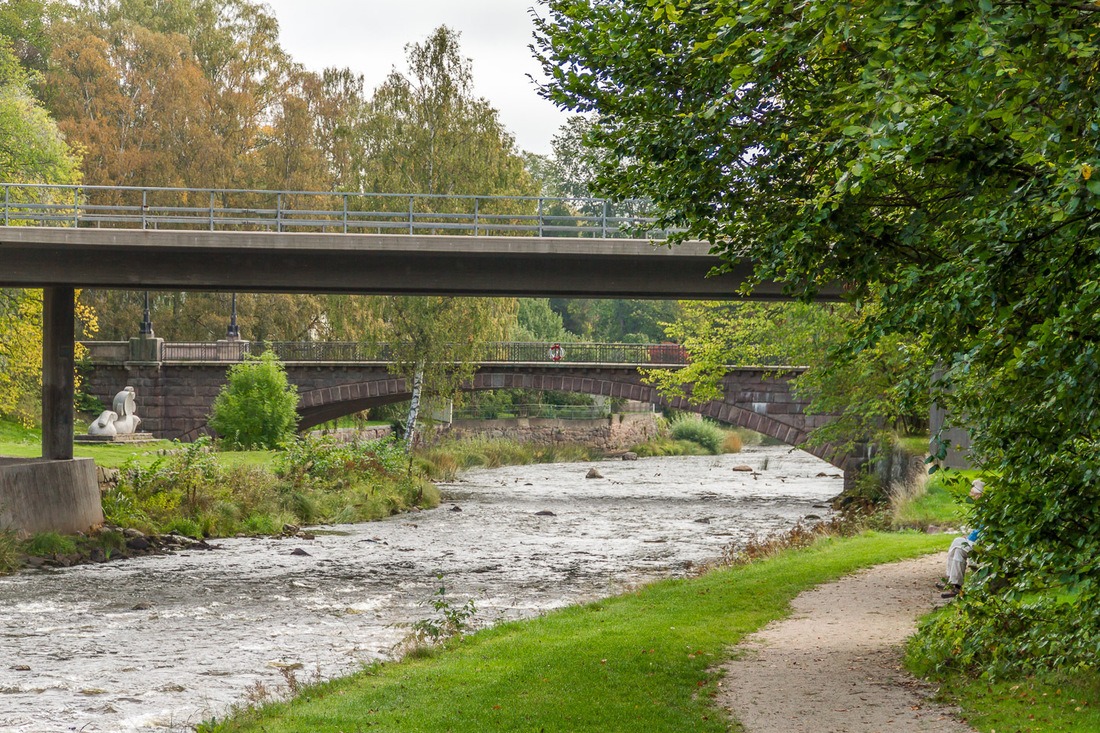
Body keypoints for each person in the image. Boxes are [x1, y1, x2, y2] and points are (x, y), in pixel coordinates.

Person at [940, 479, 985, 599]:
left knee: (957, 543)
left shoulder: (985, 509)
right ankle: (953, 584)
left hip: (983, 542)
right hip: (978, 540)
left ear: (979, 495)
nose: (971, 496)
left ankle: (953, 584)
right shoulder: (981, 508)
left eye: (973, 494)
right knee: (958, 549)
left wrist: (969, 537)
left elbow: (982, 530)